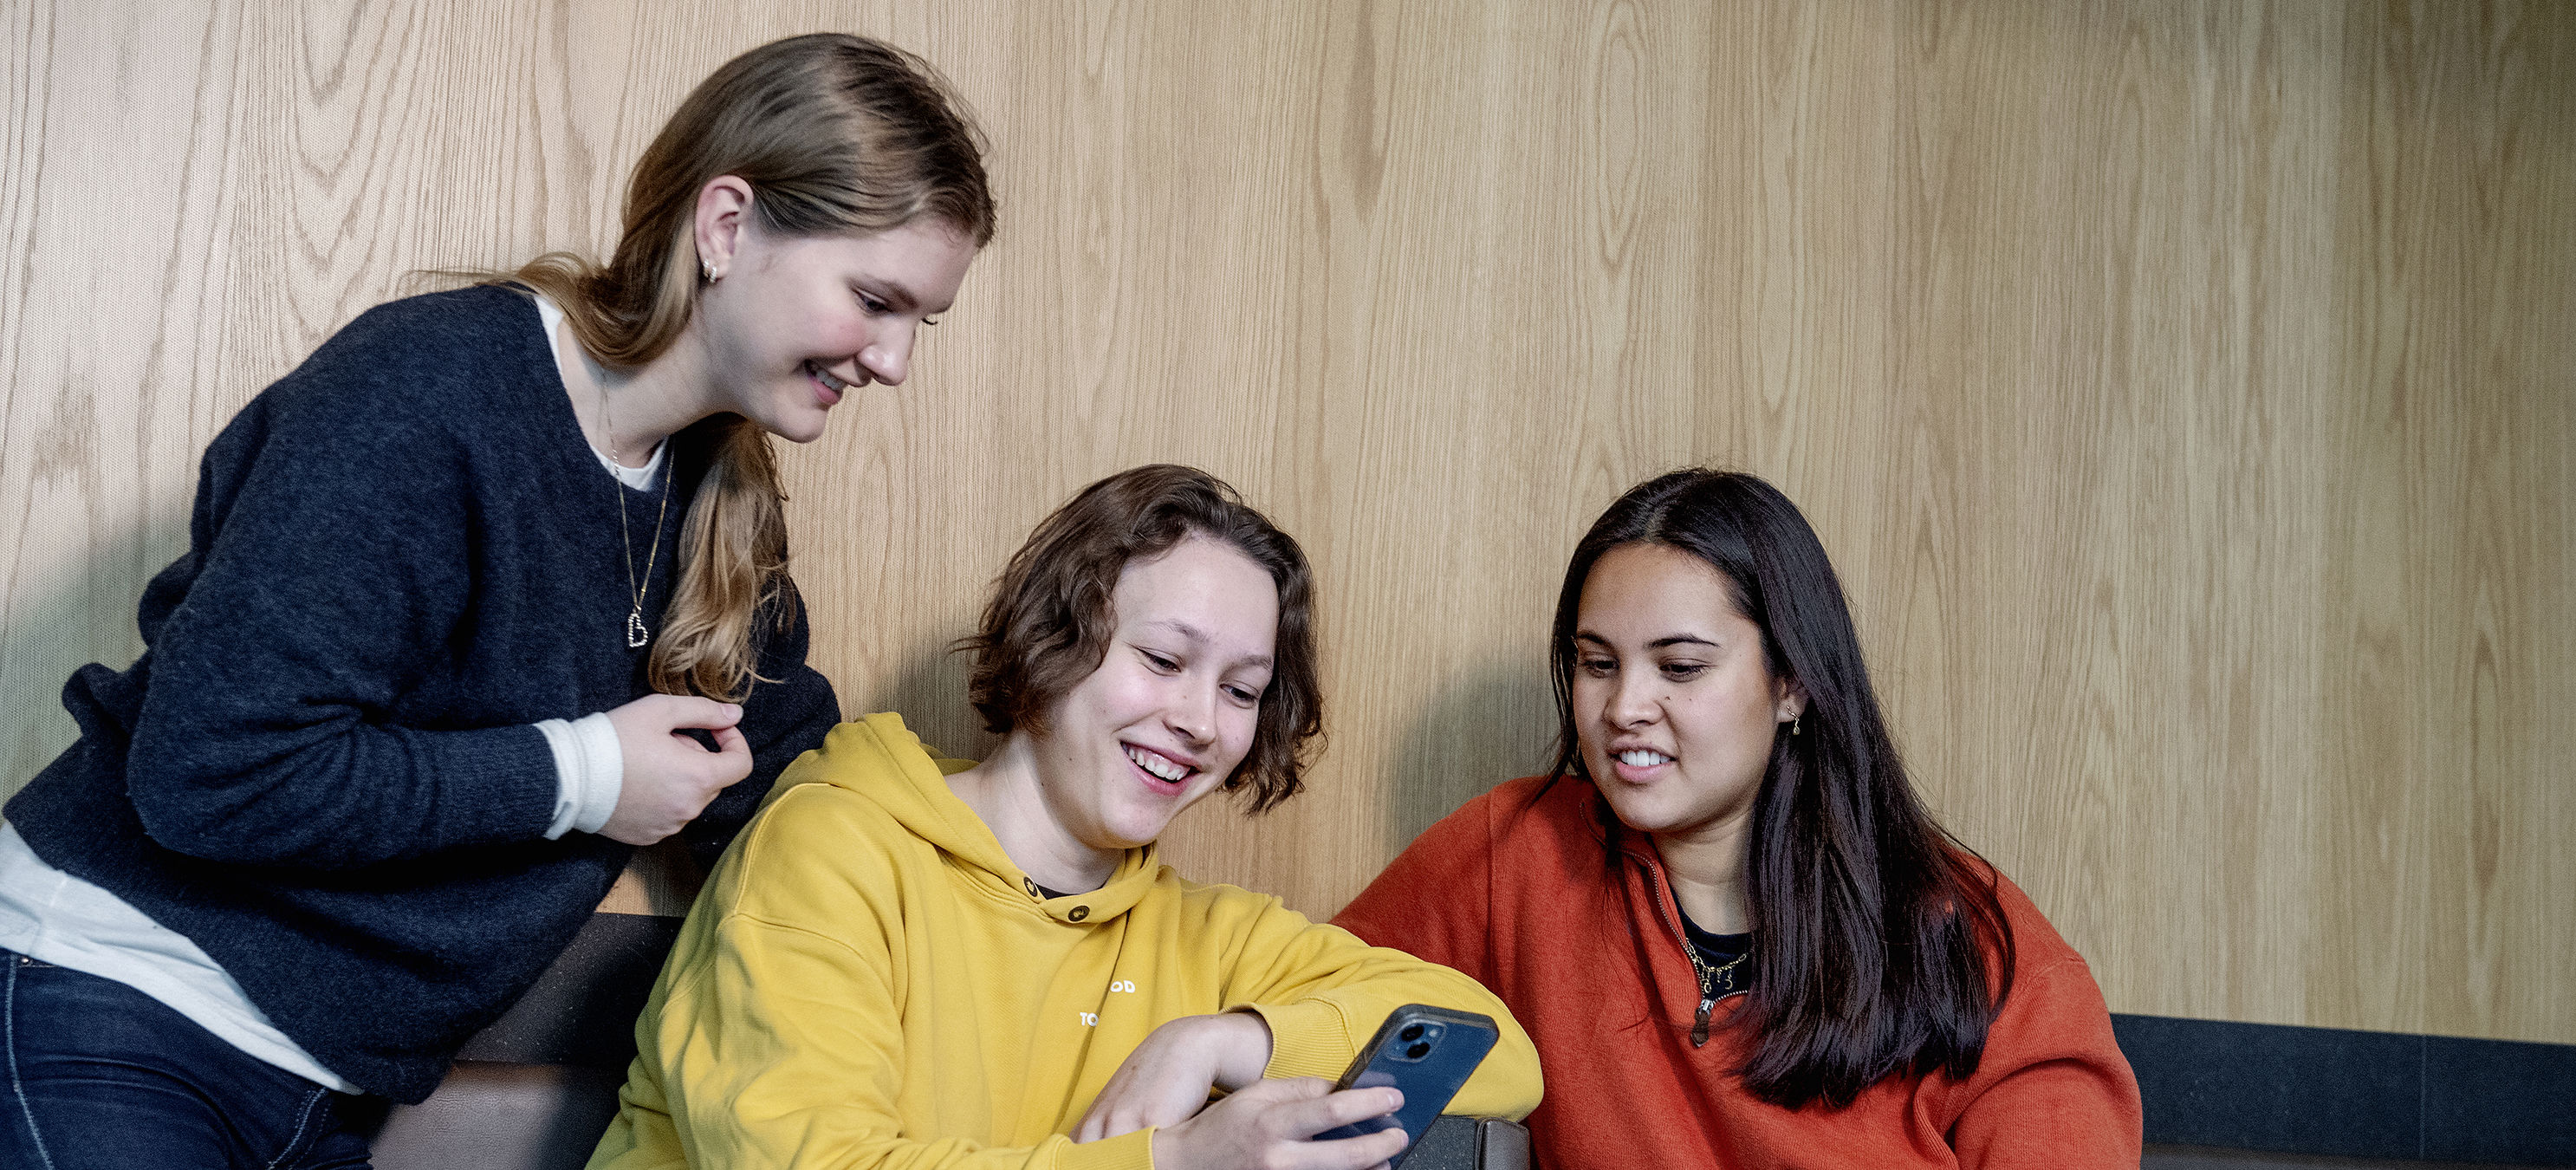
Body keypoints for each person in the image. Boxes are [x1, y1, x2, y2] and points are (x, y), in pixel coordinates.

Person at [0, 32, 994, 1169]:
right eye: (877, 299)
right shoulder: (431, 392)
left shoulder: (718, 506)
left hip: (319, 1093)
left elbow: (796, 790)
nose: (896, 362)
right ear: (727, 227)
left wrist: (1041, 835)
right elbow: (212, 771)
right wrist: (585, 774)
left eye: (924, 320)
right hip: (107, 996)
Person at [588, 465, 1542, 1170]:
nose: (1200, 722)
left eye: (1243, 690)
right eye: (1164, 662)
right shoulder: (832, 845)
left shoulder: (1213, 940)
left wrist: (1223, 1039)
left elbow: (1497, 1052)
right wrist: (1174, 1161)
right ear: (1053, 641)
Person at [1334, 469, 2142, 1168]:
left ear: (1792, 682)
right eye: (1597, 664)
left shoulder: (1973, 940)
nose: (1625, 708)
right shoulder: (1512, 851)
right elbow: (1316, 1007)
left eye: (1680, 667)